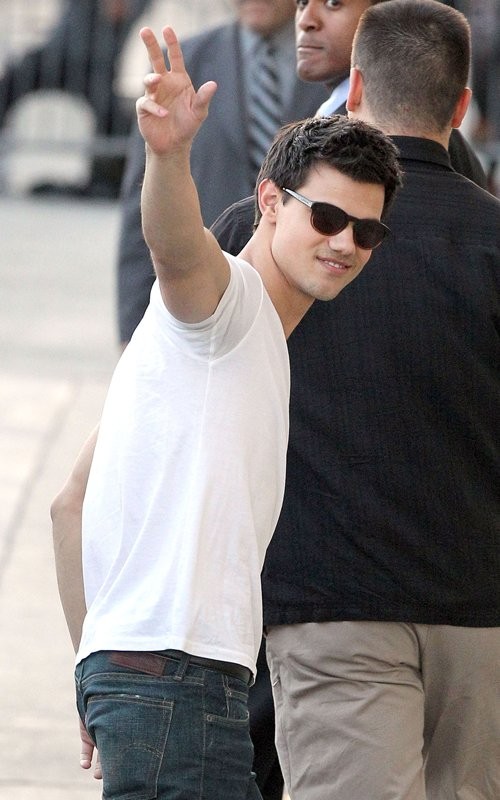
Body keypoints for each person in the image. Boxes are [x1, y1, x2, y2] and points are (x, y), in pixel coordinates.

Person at [51, 23, 402, 800]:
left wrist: (98, 671)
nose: (345, 243)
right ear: (270, 201)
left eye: (367, 230)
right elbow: (178, 250)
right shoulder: (226, 311)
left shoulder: (242, 345)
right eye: (326, 218)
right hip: (180, 680)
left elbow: (68, 505)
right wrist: (170, 155)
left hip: (149, 681)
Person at [213, 2, 500, 799]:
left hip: (330, 609)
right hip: (481, 616)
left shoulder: (268, 233)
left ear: (358, 86)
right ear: (461, 105)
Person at [117, 0, 327, 344]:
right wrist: (132, 327)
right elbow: (139, 202)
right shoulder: (186, 61)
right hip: (206, 307)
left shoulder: (335, 63)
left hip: (311, 312)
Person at [0, 0, 153, 197]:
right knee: (12, 82)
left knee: (112, 124)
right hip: (65, 48)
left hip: (98, 58)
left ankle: (105, 182)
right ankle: (106, 180)